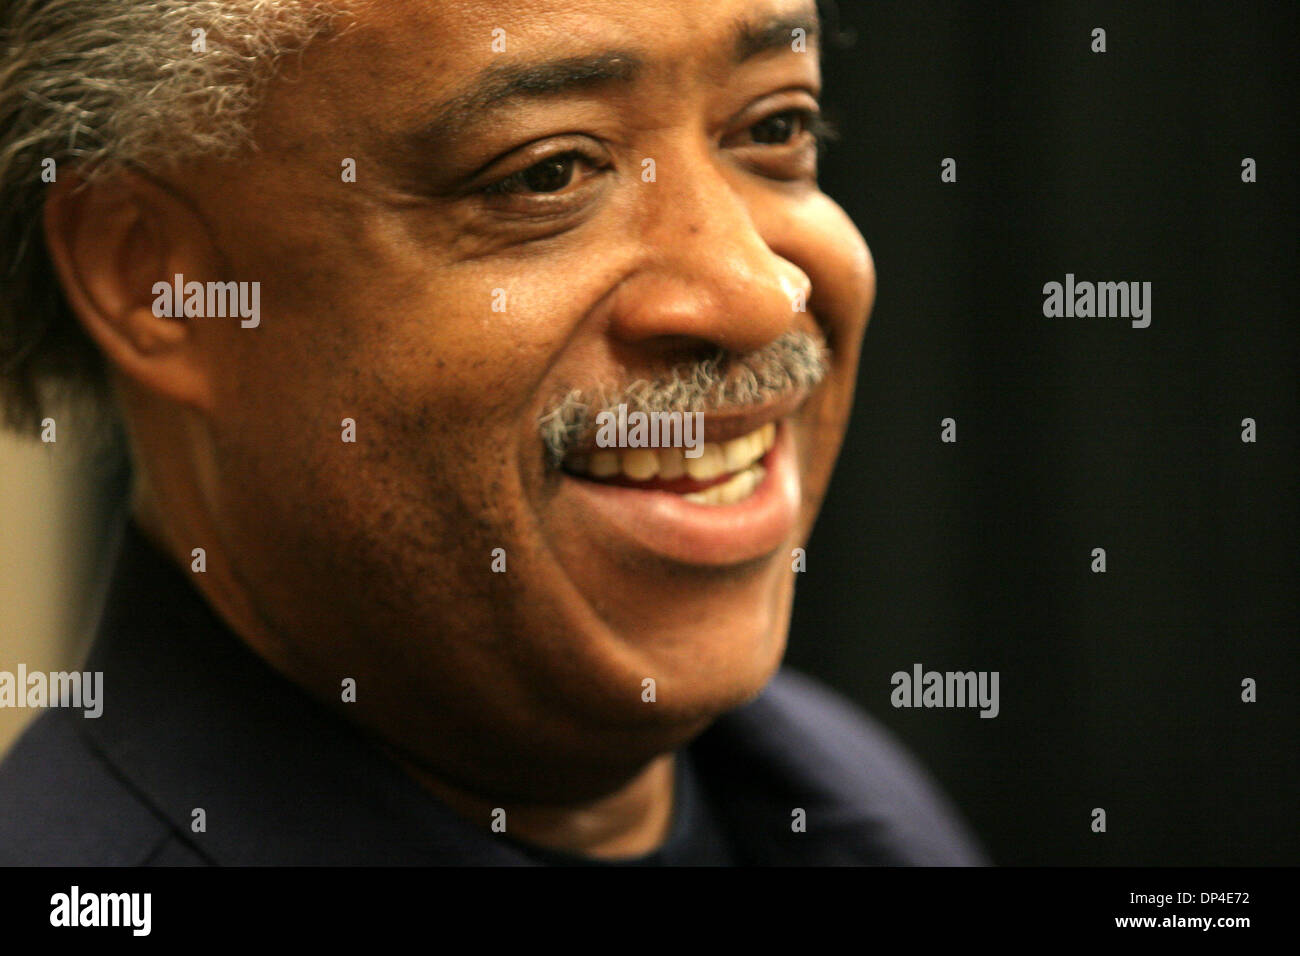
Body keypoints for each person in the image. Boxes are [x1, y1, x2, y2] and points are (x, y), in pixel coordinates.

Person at [0, 0, 985, 865]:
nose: (758, 294)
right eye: (546, 172)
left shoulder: (858, 794)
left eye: (776, 124)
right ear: (155, 280)